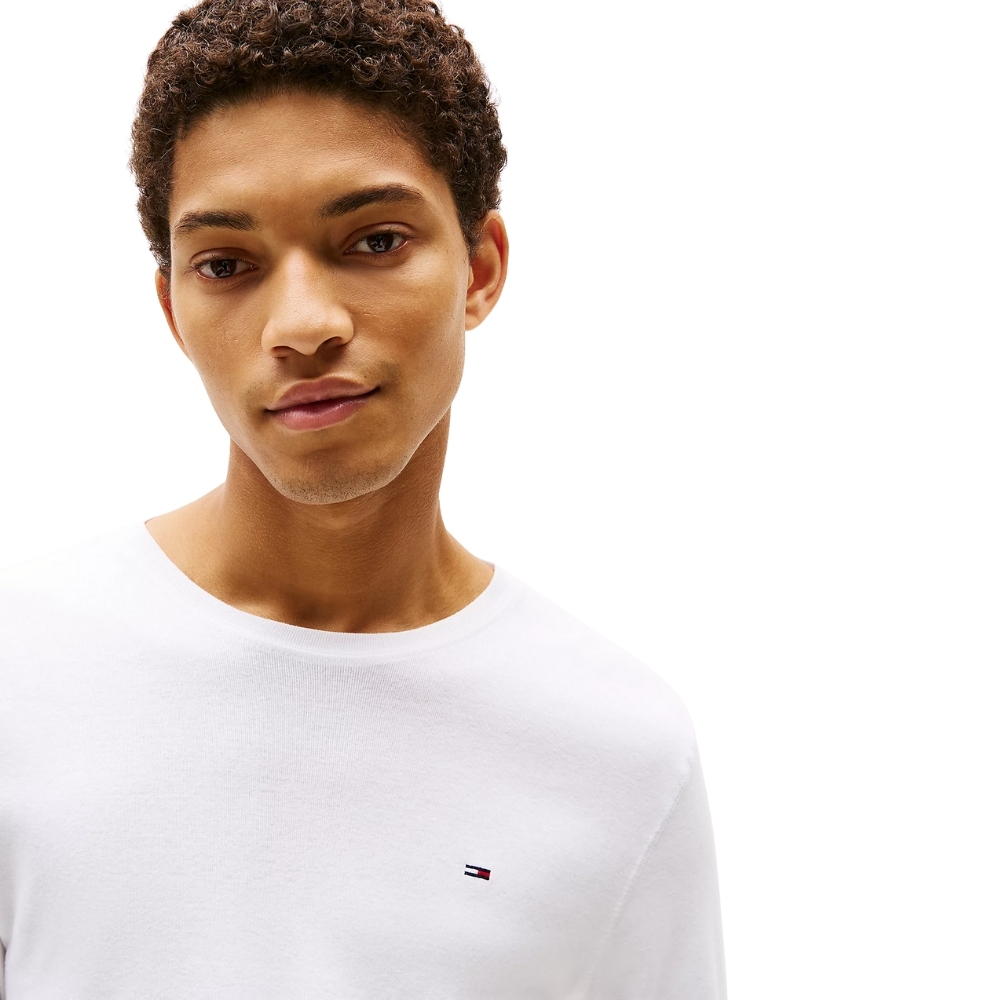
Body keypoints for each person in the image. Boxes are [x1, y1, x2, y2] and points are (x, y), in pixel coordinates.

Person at [0, 1, 726, 996]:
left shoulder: (618, 751)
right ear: (173, 309)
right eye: (226, 264)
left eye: (374, 241)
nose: (302, 324)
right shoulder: (21, 669)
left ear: (479, 269)